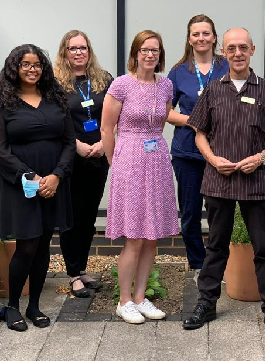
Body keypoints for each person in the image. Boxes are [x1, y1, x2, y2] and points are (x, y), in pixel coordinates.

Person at [182, 28, 265, 337]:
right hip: (219, 181)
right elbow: (199, 133)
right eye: (232, 48)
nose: (238, 52)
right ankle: (206, 304)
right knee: (216, 246)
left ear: (253, 49)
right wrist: (213, 160)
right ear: (224, 53)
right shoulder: (214, 90)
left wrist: (260, 158)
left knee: (264, 248)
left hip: (256, 182)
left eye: (243, 47)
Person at [0, 44, 76, 331]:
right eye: (25, 64)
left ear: (44, 68)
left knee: (43, 246)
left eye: (37, 64)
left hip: (53, 183)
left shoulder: (55, 99)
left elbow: (68, 143)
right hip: (21, 186)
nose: (32, 69)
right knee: (26, 246)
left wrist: (56, 176)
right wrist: (33, 178)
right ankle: (13, 306)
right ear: (15, 67)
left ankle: (35, 305)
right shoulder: (2, 103)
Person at [100, 30, 179, 324]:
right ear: (135, 53)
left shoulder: (166, 84)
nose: (150, 55)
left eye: (155, 50)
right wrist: (114, 162)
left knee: (151, 237)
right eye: (145, 50)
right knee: (134, 237)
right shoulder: (121, 85)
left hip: (157, 155)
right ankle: (124, 301)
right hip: (129, 158)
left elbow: (164, 117)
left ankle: (140, 297)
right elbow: (107, 129)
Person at [167, 15, 228, 281]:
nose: (201, 38)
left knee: (218, 211)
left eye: (206, 33)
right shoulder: (179, 71)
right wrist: (195, 122)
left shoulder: (227, 66)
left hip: (221, 151)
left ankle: (217, 263)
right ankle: (197, 264)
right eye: (196, 34)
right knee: (190, 212)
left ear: (214, 37)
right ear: (189, 39)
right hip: (187, 152)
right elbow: (165, 111)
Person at [54, 30, 113, 298]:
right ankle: (73, 274)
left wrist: (104, 143)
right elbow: (53, 121)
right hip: (71, 157)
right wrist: (76, 144)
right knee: (72, 217)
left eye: (83, 47)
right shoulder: (55, 84)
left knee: (89, 216)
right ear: (64, 52)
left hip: (99, 157)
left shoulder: (103, 80)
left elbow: (116, 116)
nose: (79, 52)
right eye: (73, 48)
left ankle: (83, 268)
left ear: (89, 51)